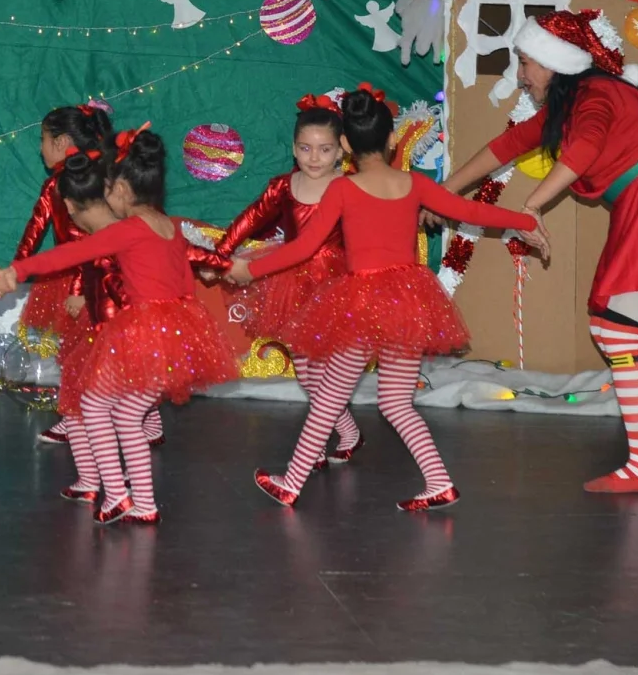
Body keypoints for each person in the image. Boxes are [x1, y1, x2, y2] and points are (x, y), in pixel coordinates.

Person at [440, 8, 638, 493]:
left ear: (554, 62)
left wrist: (533, 204)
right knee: (617, 327)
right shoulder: (575, 102)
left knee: (619, 333)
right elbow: (505, 146)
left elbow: (583, 152)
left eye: (526, 61)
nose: (520, 75)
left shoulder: (595, 96)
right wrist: (444, 194)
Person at [232, 85, 545, 512]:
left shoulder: (342, 190)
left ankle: (291, 483)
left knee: (327, 401)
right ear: (392, 139)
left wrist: (250, 268)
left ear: (343, 144)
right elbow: (470, 212)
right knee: (396, 402)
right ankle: (438, 482)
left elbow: (303, 248)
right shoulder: (414, 183)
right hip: (407, 301)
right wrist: (524, 219)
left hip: (360, 303)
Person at [2, 129, 239, 525]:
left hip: (143, 327)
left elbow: (72, 253)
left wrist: (18, 269)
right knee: (128, 414)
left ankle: (116, 495)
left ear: (124, 189)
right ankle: (143, 503)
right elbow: (184, 282)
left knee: (94, 404)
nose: (105, 195)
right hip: (176, 327)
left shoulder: (127, 229)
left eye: (109, 187)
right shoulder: (167, 225)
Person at [216, 93, 362, 463]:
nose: (315, 158)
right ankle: (347, 430)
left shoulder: (349, 187)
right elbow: (249, 219)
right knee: (307, 372)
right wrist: (220, 255)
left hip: (336, 283)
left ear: (341, 150)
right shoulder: (284, 186)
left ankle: (316, 444)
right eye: (306, 148)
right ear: (293, 148)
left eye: (325, 150)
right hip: (292, 282)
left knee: (327, 369)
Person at [15, 104, 115, 446]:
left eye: (42, 139)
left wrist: (78, 287)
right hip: (91, 278)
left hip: (87, 281)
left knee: (79, 353)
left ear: (61, 142)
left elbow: (95, 240)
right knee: (98, 351)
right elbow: (36, 228)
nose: (40, 147)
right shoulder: (100, 176)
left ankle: (76, 419)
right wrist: (17, 268)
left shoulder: (72, 183)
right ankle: (144, 420)